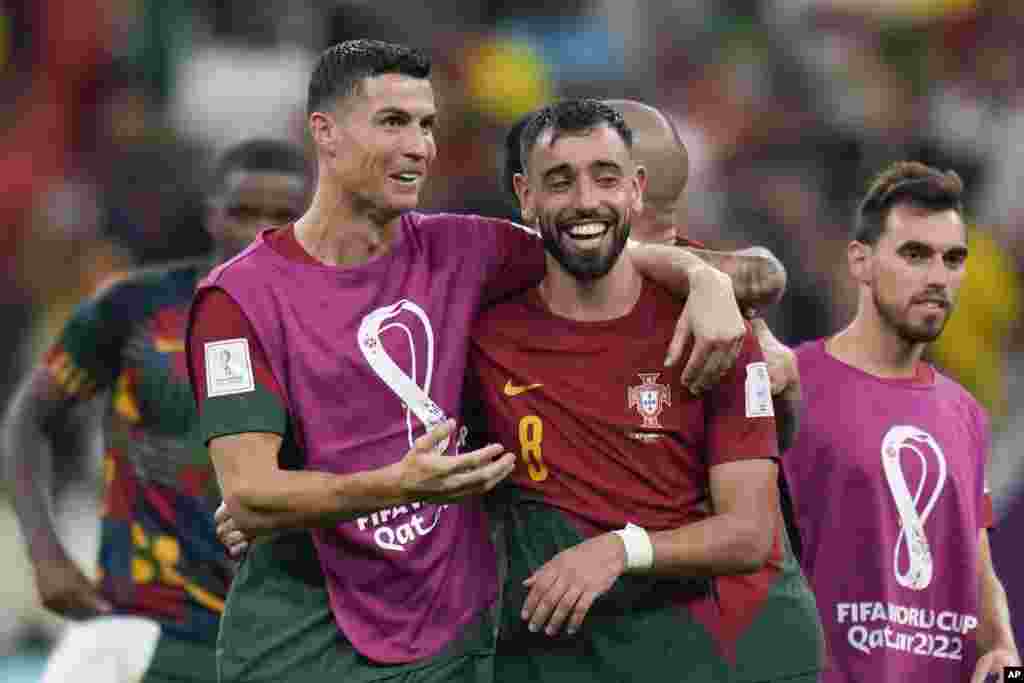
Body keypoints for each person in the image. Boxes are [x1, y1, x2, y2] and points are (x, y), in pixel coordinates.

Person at [187, 39, 766, 683]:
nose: (419, 147)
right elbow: (247, 495)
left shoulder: (464, 249)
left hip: (448, 639)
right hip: (299, 642)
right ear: (325, 132)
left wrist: (703, 280)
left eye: (427, 125)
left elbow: (594, 251)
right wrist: (400, 485)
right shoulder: (238, 299)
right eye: (393, 122)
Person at [468, 98, 824, 683]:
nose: (585, 199)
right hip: (549, 654)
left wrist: (619, 549)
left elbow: (750, 530)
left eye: (605, 177)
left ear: (637, 189)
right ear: (525, 195)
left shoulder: (717, 325)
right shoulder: (490, 318)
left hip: (720, 642)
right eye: (560, 179)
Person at [2, 138, 312, 683]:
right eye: (243, 211)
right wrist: (45, 555)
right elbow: (30, 416)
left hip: (265, 633)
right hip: (132, 623)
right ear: (211, 212)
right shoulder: (136, 309)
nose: (259, 229)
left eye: (282, 215)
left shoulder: (334, 329)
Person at [782, 161, 1020, 683]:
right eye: (915, 254)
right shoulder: (793, 383)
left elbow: (976, 561)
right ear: (861, 262)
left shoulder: (965, 412)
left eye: (953, 259)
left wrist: (1003, 646)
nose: (938, 277)